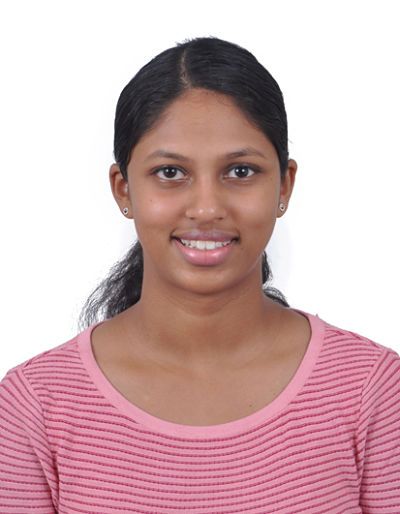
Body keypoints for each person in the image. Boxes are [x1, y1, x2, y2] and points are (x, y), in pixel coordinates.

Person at [0, 36, 399, 514]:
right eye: (170, 173)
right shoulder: (36, 406)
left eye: (241, 170)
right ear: (123, 189)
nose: (207, 207)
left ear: (285, 185)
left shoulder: (371, 391)